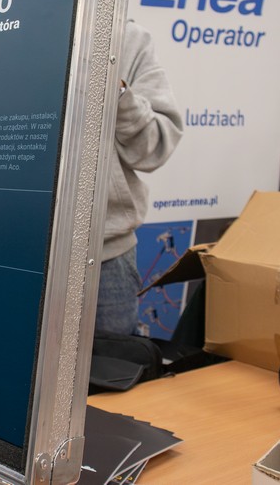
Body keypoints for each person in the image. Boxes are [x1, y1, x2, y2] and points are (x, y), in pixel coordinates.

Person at [97, 20, 184, 335]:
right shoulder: (4, 24)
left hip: (105, 253)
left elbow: (155, 148)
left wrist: (119, 93)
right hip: (6, 241)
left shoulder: (127, 38)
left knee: (108, 362)